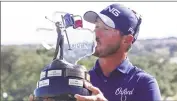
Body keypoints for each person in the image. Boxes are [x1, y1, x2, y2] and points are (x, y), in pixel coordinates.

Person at [30, 3, 161, 101]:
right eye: (96, 26)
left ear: (127, 40)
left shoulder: (143, 83)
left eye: (105, 28)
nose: (95, 33)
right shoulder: (79, 80)